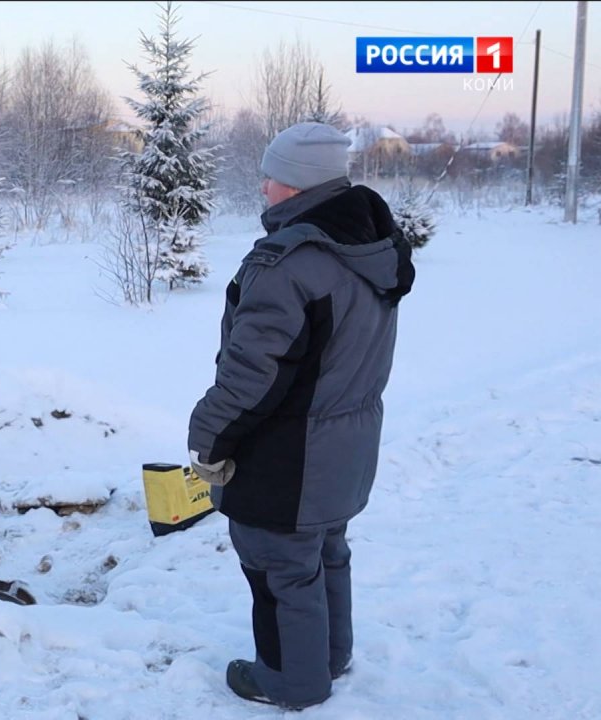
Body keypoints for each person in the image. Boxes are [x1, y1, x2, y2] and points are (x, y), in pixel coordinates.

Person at [187, 122, 415, 709]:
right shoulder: (370, 248)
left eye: (272, 176)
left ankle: (292, 681)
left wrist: (207, 439)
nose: (263, 186)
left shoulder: (288, 265)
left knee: (278, 566)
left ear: (297, 183)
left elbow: (251, 375)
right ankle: (329, 658)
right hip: (345, 448)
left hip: (289, 457)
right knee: (324, 553)